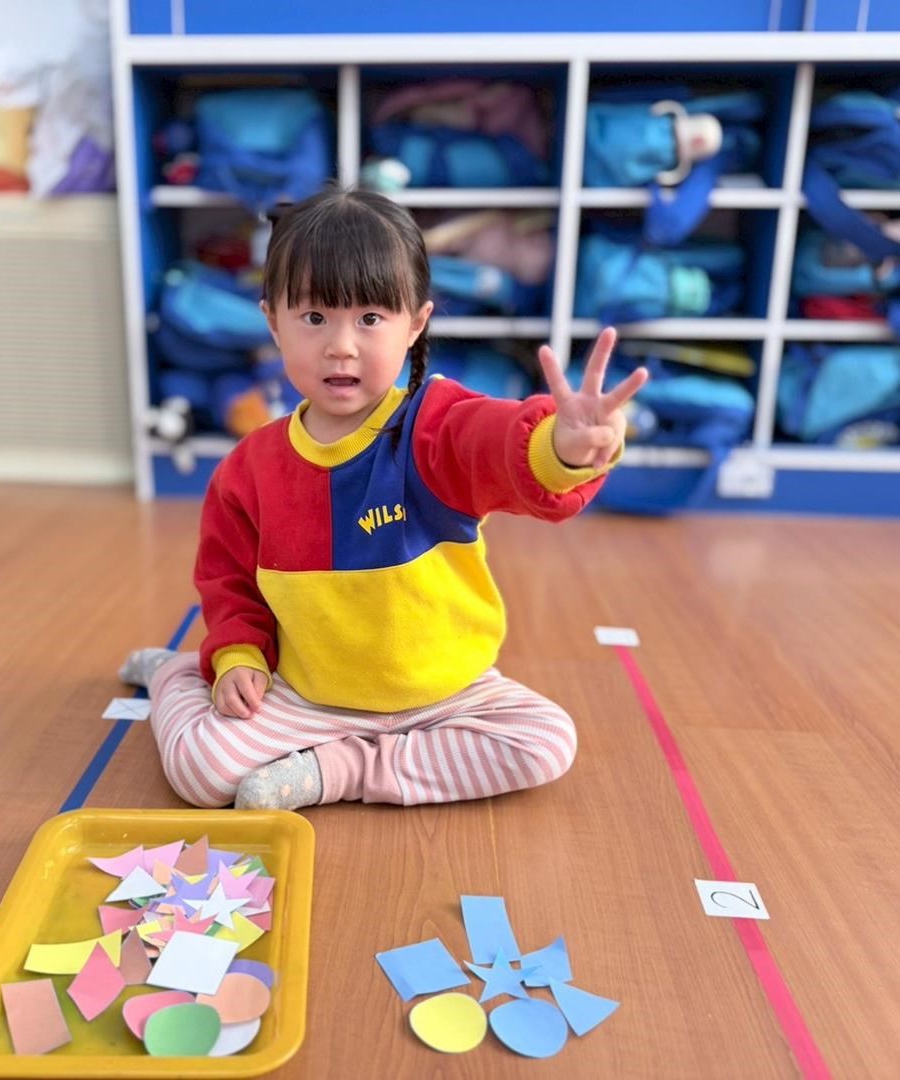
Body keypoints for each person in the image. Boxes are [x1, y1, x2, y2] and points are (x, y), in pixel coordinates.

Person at [120, 188, 648, 811]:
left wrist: (564, 445)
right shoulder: (248, 468)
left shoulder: (434, 424)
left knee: (546, 741)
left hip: (447, 693)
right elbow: (230, 584)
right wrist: (237, 657)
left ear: (416, 323)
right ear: (272, 321)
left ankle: (343, 771)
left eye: (370, 318)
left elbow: (500, 442)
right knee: (203, 773)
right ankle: (177, 674)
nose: (341, 345)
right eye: (314, 317)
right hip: (308, 694)